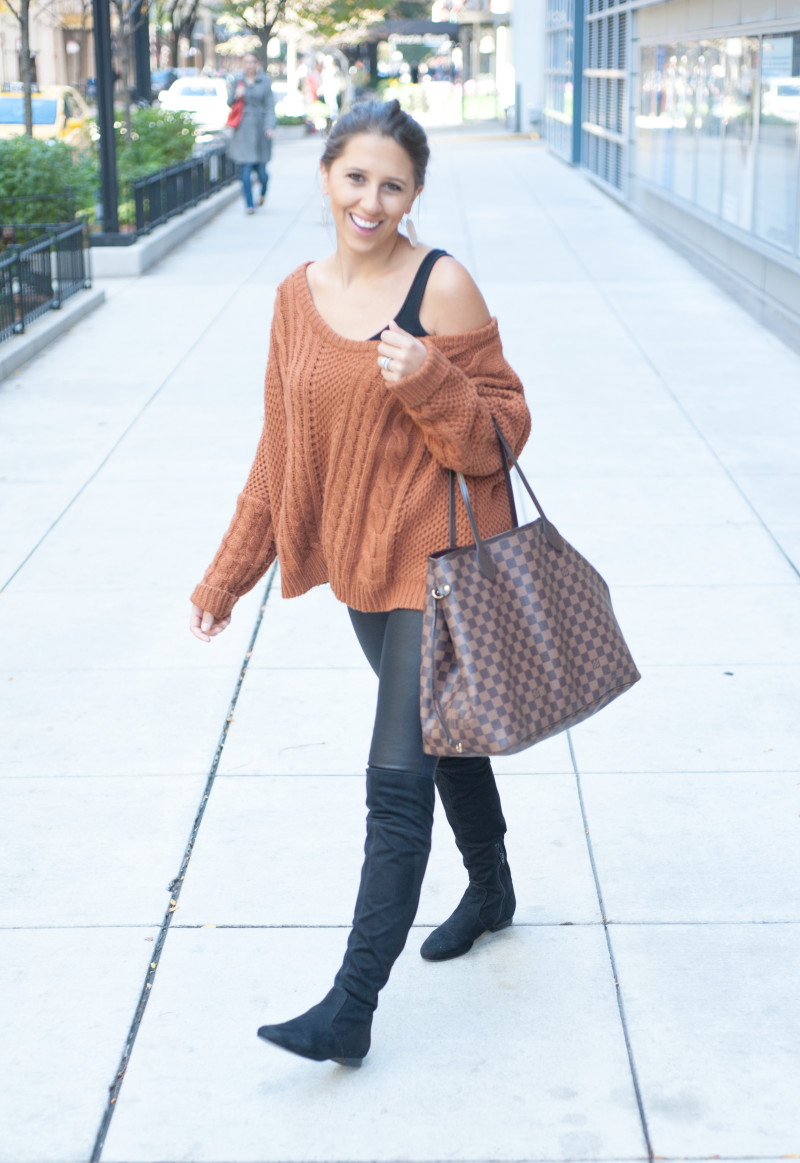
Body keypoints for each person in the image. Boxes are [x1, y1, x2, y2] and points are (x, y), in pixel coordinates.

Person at [189, 99, 531, 1067]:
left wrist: (428, 376)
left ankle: (352, 1004)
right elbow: (279, 452)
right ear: (325, 176)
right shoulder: (293, 300)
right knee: (442, 737)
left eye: (392, 184)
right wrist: (227, 576)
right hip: (361, 567)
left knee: (396, 779)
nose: (370, 201)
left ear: (413, 194)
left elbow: (500, 433)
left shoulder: (440, 285)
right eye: (355, 179)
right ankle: (492, 887)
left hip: (439, 565)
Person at [227, 52, 276, 215]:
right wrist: (237, 94)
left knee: (262, 173)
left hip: (261, 130)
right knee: (245, 171)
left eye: (252, 62)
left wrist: (269, 126)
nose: (250, 65)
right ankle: (249, 204)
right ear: (243, 64)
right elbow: (229, 103)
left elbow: (270, 105)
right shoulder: (237, 81)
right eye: (246, 62)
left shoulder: (265, 81)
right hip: (243, 131)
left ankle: (262, 193)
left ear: (257, 63)